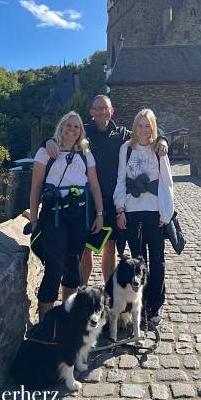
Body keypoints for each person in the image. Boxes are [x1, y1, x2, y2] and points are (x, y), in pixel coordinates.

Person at [45, 95, 168, 284]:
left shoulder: (122, 134)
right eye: (98, 108)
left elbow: (145, 136)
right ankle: (83, 291)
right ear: (91, 111)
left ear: (112, 111)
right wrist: (48, 142)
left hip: (111, 200)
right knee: (85, 249)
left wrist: (163, 140)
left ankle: (109, 294)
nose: (102, 111)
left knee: (109, 248)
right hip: (87, 200)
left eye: (106, 108)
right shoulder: (84, 133)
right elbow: (62, 138)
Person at [31, 111, 104, 321]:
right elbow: (36, 187)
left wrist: (99, 214)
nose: (72, 130)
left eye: (76, 126)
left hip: (79, 216)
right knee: (54, 268)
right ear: (61, 128)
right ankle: (45, 324)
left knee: (73, 266)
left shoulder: (85, 153)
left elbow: (95, 185)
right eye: (68, 125)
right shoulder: (46, 152)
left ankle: (67, 318)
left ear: (81, 131)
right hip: (54, 216)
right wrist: (34, 219)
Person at [114, 108, 174, 325]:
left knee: (157, 261)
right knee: (139, 262)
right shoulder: (126, 149)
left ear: (153, 127)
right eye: (139, 125)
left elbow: (167, 182)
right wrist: (120, 209)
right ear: (134, 127)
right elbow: (121, 179)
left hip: (154, 212)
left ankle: (155, 305)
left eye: (147, 125)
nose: (143, 130)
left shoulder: (159, 149)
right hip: (132, 212)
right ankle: (143, 304)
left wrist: (166, 213)